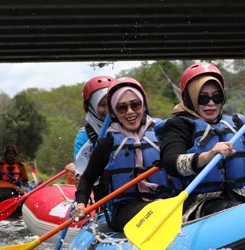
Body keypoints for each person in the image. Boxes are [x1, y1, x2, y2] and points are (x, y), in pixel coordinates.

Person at [159, 62, 245, 221]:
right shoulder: (179, 125)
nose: (211, 103)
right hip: (197, 204)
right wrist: (207, 156)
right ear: (190, 99)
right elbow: (171, 163)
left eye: (216, 97)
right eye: (203, 98)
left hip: (237, 197)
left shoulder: (236, 123)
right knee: (237, 212)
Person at [72, 77, 171, 231]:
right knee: (152, 211)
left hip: (164, 204)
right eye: (122, 108)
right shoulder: (107, 143)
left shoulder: (160, 134)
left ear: (143, 106)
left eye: (135, 105)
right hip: (126, 210)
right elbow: (87, 179)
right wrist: (80, 204)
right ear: (114, 112)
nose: (130, 112)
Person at [74, 75, 114, 177]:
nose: (109, 110)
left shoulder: (130, 128)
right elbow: (82, 173)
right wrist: (78, 173)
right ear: (90, 106)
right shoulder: (84, 136)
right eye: (103, 105)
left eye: (112, 103)